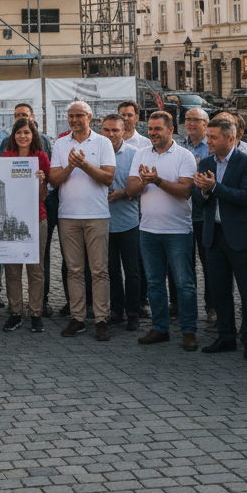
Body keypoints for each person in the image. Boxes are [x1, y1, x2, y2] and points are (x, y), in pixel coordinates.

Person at [194, 115, 247, 359]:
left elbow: (246, 197)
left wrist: (214, 188)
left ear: (230, 138)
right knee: (219, 291)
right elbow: (196, 200)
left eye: (213, 137)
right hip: (213, 236)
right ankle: (225, 337)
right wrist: (203, 192)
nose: (208, 141)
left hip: (242, 237)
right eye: (208, 137)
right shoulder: (204, 163)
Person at [130, 111, 199, 351]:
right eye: (150, 129)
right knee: (154, 283)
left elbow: (185, 191)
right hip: (148, 229)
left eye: (157, 129)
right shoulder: (140, 153)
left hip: (178, 230)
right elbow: (130, 189)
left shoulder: (184, 155)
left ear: (171, 130)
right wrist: (144, 181)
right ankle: (160, 328)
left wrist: (157, 181)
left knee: (184, 284)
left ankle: (189, 331)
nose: (152, 133)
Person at [48, 101, 116, 341]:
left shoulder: (103, 142)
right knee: (74, 270)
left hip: (96, 215)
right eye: (70, 116)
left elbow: (108, 178)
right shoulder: (60, 143)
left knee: (99, 270)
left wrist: (84, 164)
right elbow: (54, 180)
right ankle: (77, 318)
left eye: (78, 116)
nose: (74, 120)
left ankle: (101, 319)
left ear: (89, 117)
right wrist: (70, 166)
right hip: (68, 215)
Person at [1, 117, 50, 333]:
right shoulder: (6, 157)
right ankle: (15, 312)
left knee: (35, 268)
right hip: (11, 219)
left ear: (33, 135)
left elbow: (44, 196)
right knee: (12, 268)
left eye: (26, 133)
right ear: (13, 135)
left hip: (35, 218)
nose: (22, 136)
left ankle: (36, 313)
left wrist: (41, 181)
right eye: (19, 132)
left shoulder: (41, 157)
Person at [103, 114, 141, 332]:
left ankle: (133, 313)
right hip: (104, 223)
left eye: (115, 130)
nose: (110, 135)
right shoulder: (97, 154)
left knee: (132, 271)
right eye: (107, 130)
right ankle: (116, 311)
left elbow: (141, 186)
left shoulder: (135, 155)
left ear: (124, 131)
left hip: (128, 221)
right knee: (111, 271)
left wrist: (124, 193)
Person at [181, 107, 214, 324]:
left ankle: (212, 306)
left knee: (209, 264)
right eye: (187, 119)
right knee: (182, 266)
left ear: (206, 123)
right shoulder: (180, 147)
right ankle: (181, 304)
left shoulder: (211, 148)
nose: (191, 123)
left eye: (196, 120)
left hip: (204, 216)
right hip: (182, 215)